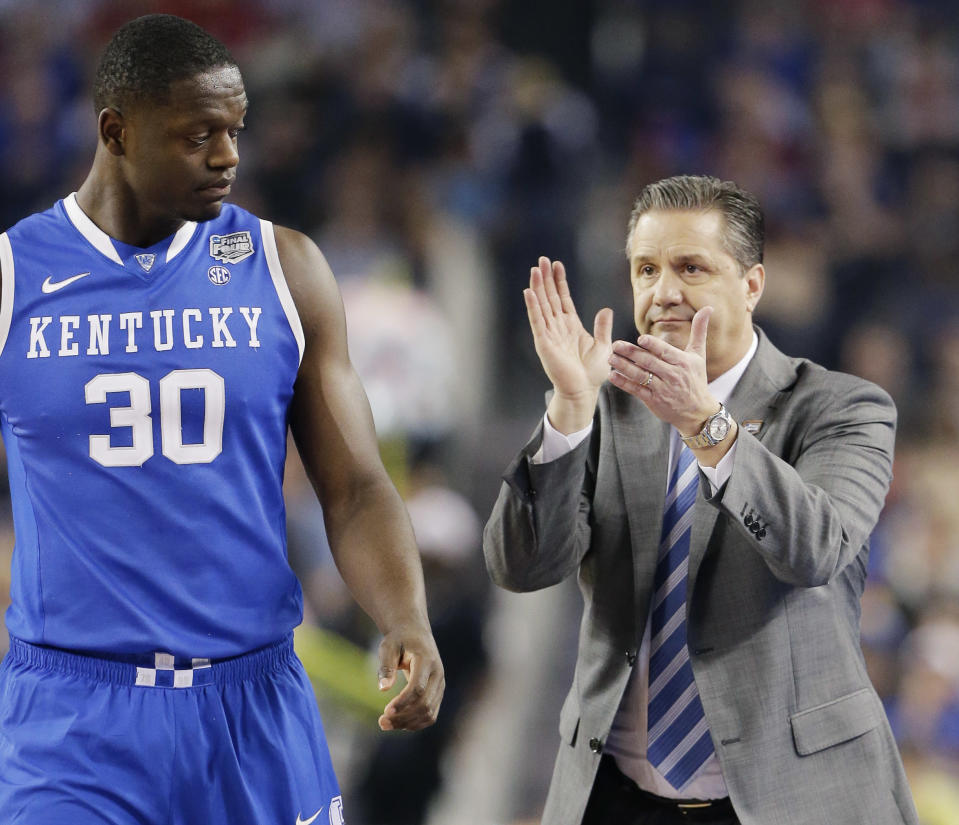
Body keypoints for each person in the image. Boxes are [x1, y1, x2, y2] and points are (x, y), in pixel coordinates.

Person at [0, 14, 443, 825]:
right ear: (116, 131)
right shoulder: (10, 277)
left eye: (235, 130)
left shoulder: (286, 267)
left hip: (252, 701)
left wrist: (404, 614)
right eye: (198, 134)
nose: (228, 156)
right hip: (72, 719)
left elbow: (353, 486)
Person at [484, 175, 918, 825]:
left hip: (785, 796)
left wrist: (706, 427)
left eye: (690, 267)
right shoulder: (600, 406)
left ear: (751, 284)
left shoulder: (841, 406)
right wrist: (568, 410)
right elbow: (523, 567)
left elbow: (814, 549)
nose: (662, 292)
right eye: (645, 268)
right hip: (615, 796)